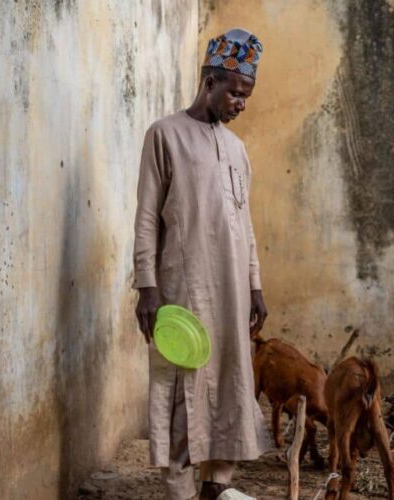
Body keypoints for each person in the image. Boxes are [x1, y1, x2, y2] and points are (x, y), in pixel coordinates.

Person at [133, 28, 271, 500]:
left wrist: (255, 286)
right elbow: (148, 217)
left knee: (230, 383)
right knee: (181, 392)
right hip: (182, 290)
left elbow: (245, 222)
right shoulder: (165, 135)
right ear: (209, 81)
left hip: (232, 291)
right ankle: (179, 490)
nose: (241, 103)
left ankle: (217, 486)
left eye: (246, 95)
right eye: (235, 91)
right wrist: (146, 286)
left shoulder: (237, 150)